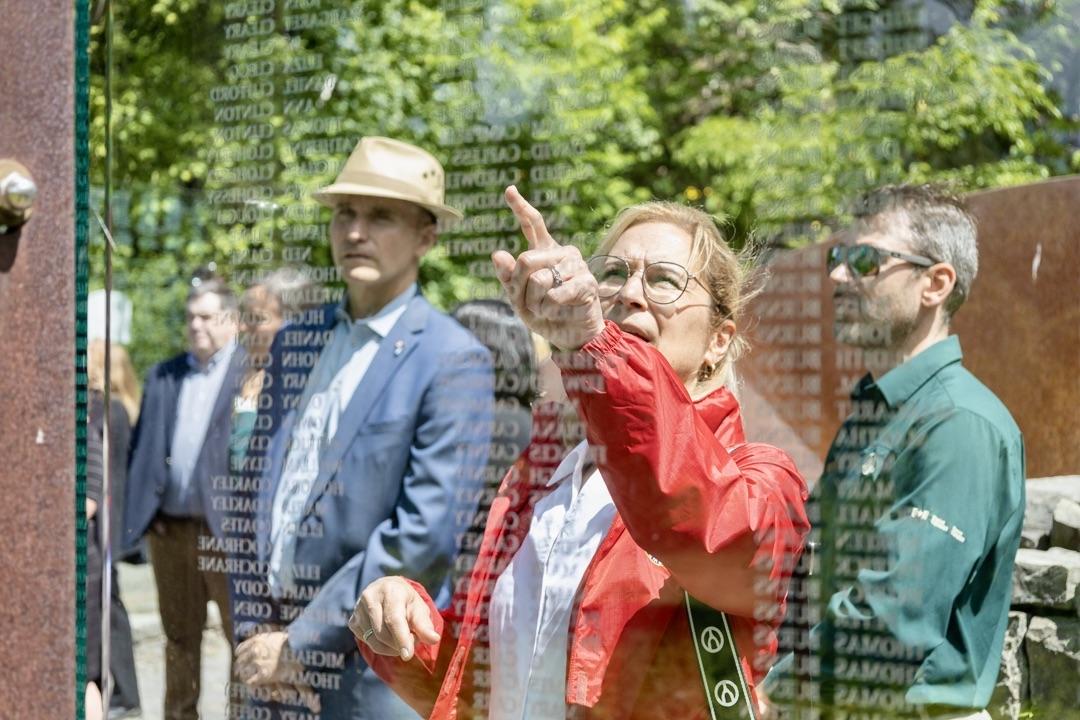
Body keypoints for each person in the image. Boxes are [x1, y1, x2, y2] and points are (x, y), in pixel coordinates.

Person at [350, 187, 811, 719]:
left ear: (718, 341)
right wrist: (404, 622)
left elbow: (701, 525)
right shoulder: (543, 477)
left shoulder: (761, 478)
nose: (630, 294)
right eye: (613, 273)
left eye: (664, 280)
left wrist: (596, 346)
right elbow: (498, 683)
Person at [231, 137, 494, 720]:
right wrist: (258, 637)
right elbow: (254, 497)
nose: (355, 231)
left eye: (381, 216)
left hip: (368, 677)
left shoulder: (454, 359)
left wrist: (300, 648)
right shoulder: (294, 343)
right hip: (265, 667)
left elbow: (421, 539)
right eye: (344, 213)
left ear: (427, 236)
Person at [767, 185, 1025, 720]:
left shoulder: (958, 424)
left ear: (935, 283)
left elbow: (896, 617)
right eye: (837, 257)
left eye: (865, 260)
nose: (838, 276)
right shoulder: (878, 408)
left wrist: (773, 688)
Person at [122, 278, 247, 720]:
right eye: (190, 317)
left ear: (231, 321)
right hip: (170, 530)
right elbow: (142, 448)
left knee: (242, 638)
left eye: (206, 317)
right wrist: (145, 513)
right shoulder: (165, 374)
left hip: (229, 533)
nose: (195, 326)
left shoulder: (251, 372)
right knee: (178, 637)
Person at [86, 340, 142, 717]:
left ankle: (118, 693)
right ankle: (123, 693)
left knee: (106, 610)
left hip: (104, 523)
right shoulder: (123, 409)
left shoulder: (102, 409)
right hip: (117, 520)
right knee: (113, 609)